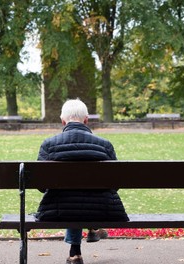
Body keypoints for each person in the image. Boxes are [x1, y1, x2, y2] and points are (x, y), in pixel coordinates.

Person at [35, 98, 129, 264]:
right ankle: (92, 227)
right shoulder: (104, 145)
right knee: (79, 198)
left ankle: (75, 252)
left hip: (58, 209)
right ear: (87, 120)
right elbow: (115, 183)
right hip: (102, 208)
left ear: (63, 121)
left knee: (70, 198)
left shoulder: (49, 145)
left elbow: (41, 186)